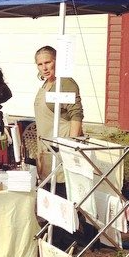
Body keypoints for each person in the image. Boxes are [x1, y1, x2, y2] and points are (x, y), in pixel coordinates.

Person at [34, 45, 84, 185]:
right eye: (40, 64)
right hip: (46, 146)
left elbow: (76, 115)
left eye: (48, 62)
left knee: (62, 187)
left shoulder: (65, 83)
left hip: (62, 147)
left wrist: (71, 146)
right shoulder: (45, 84)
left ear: (57, 61)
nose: (44, 68)